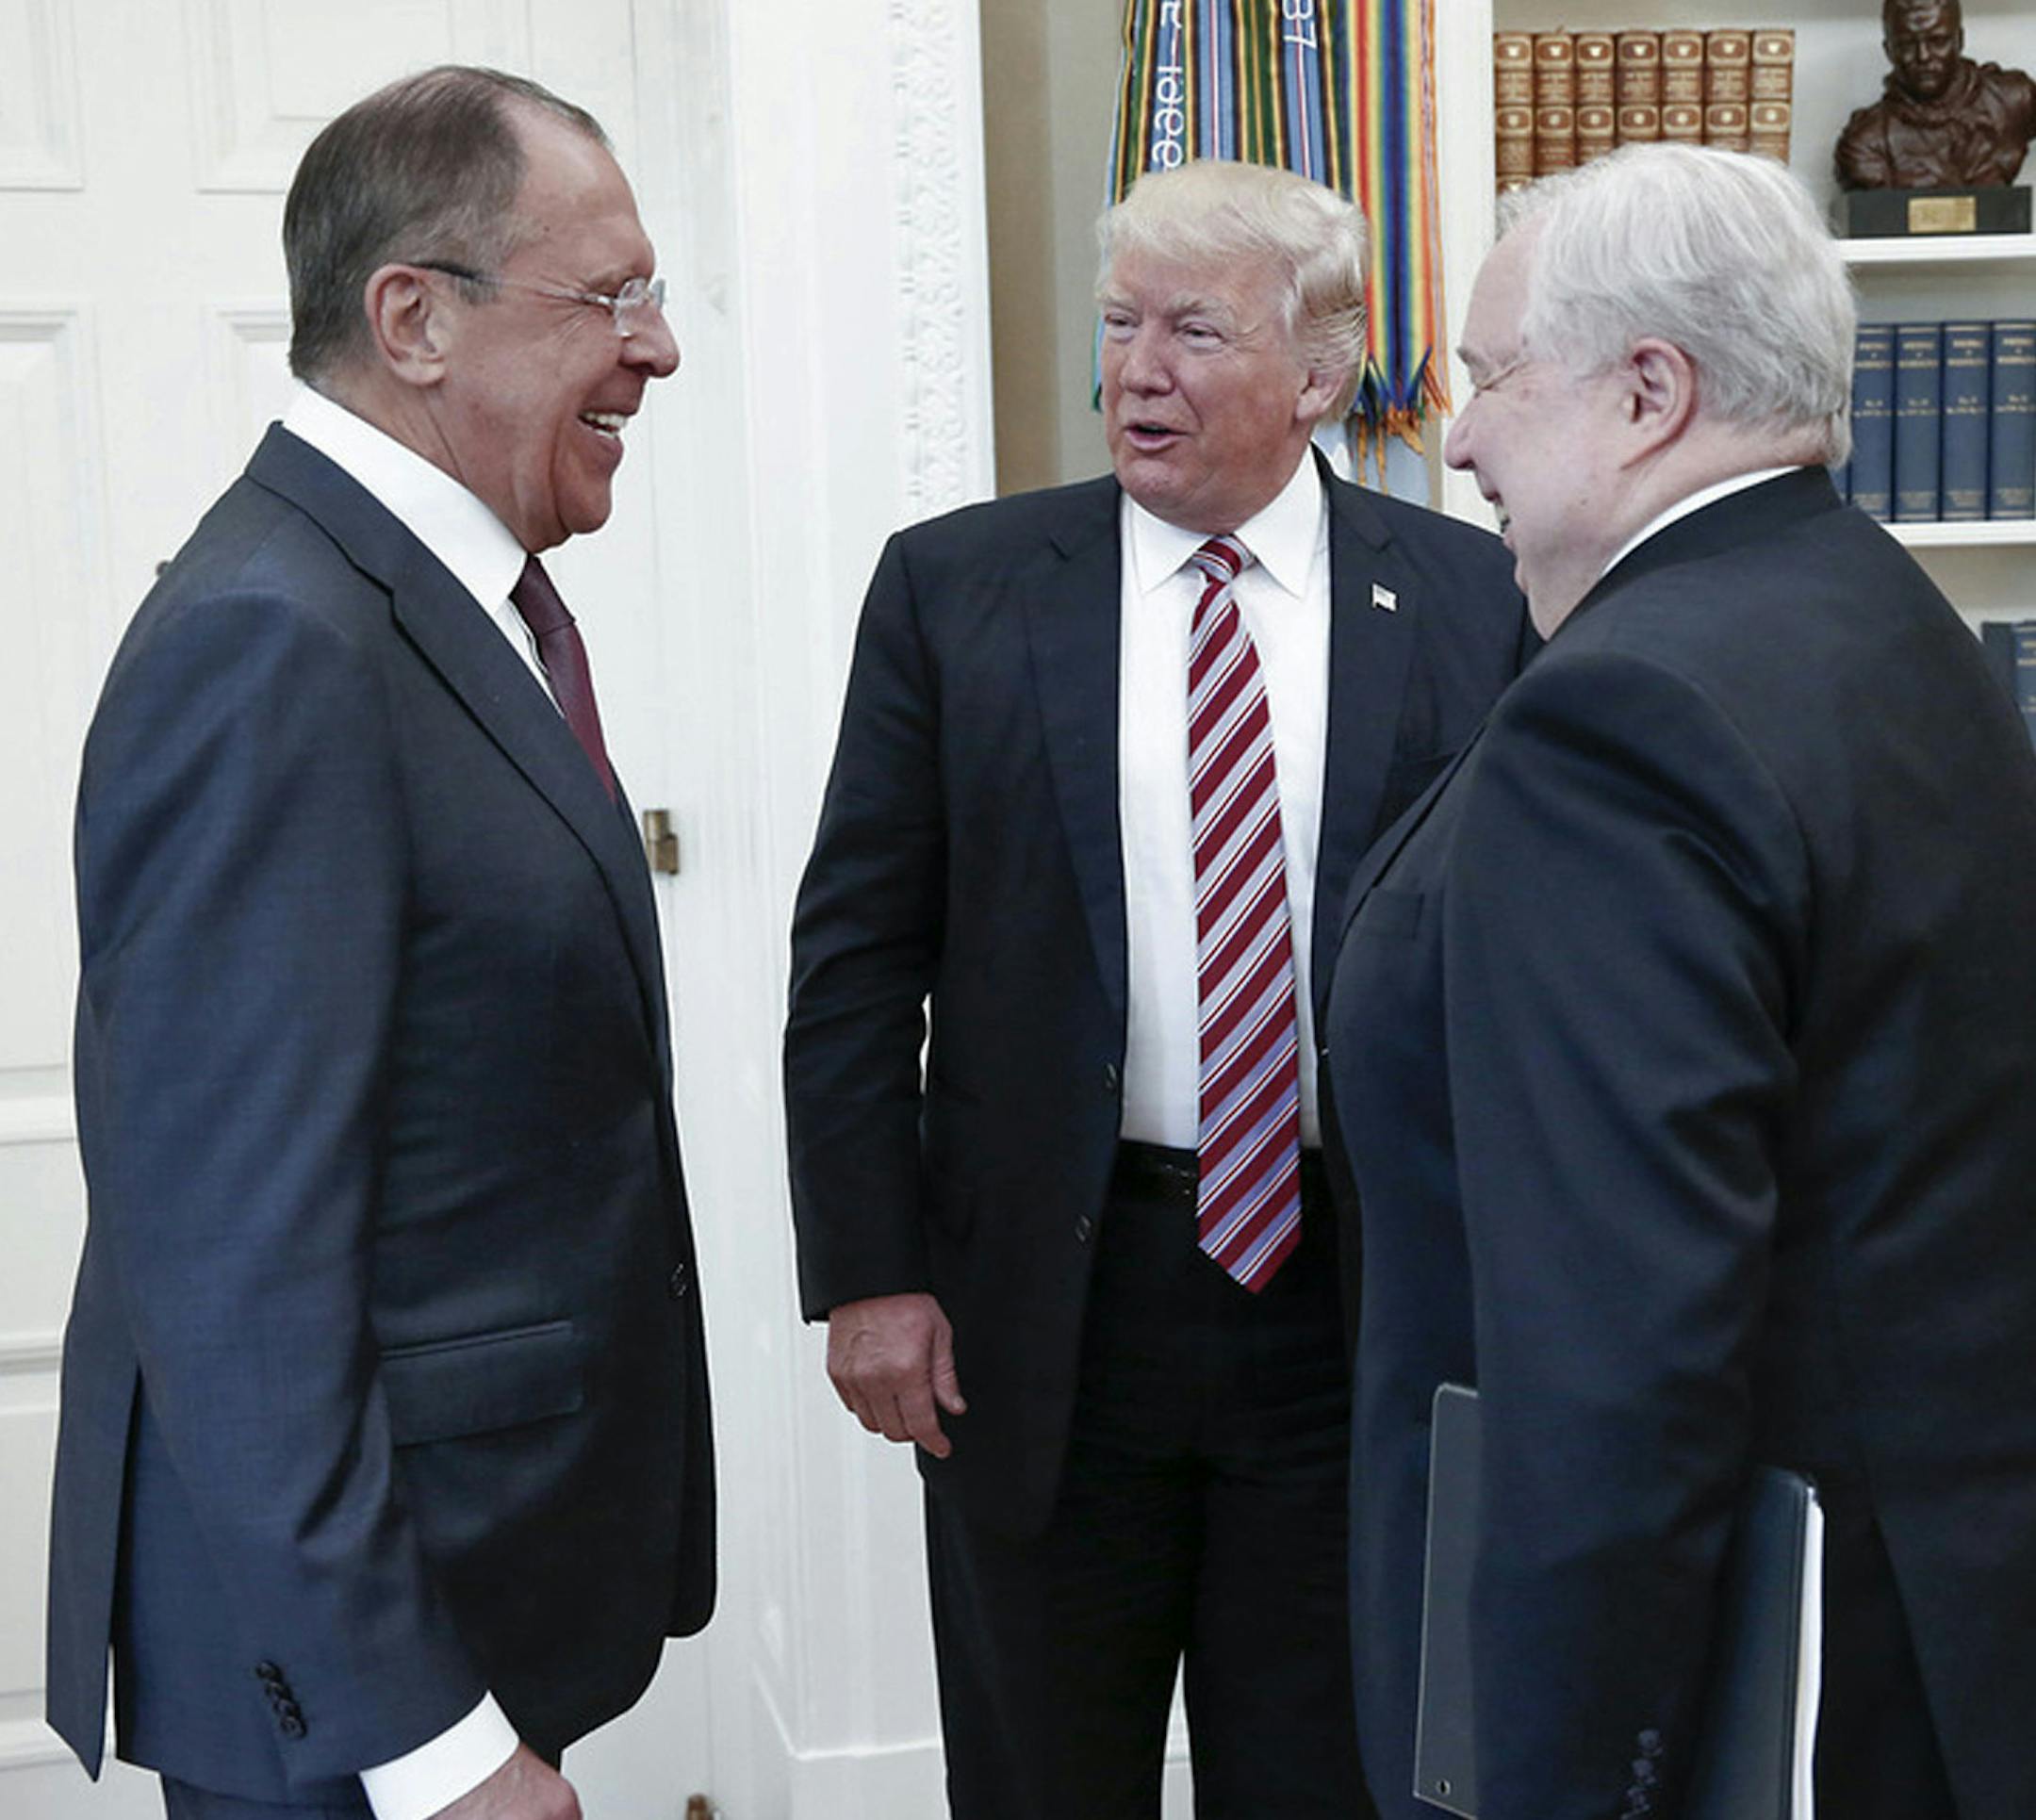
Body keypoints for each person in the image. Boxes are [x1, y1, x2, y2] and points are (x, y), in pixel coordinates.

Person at [783, 158, 1530, 1818]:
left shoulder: (1474, 600)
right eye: (1120, 324)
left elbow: (1525, 970)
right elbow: (855, 958)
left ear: (1322, 372)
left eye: (1195, 330)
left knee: (1329, 1776)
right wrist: (868, 1270)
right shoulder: (956, 588)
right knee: (1045, 1775)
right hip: (1049, 1306)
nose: (1136, 370)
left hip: (1353, 1300)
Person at [1327, 140, 2036, 1820]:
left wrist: (1562, 1780)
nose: (1460, 436)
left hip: (1744, 1696)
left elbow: (1615, 1360)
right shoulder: (1882, 611)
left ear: (1651, 393)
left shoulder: (1625, 718)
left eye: (1496, 376)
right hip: (1929, 1628)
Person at [46, 66, 714, 1820]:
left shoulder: (423, 607)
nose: (656, 349)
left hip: (474, 1590)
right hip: (360, 1697)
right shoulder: (276, 641)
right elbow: (232, 1261)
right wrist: (428, 1740)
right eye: (611, 296)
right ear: (413, 318)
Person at [1835, 0, 2034, 190]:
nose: (1923, 56)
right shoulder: (1866, 145)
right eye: (1906, 45)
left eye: (1937, 41)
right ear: (1889, 50)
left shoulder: (2014, 100)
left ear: (1959, 40)